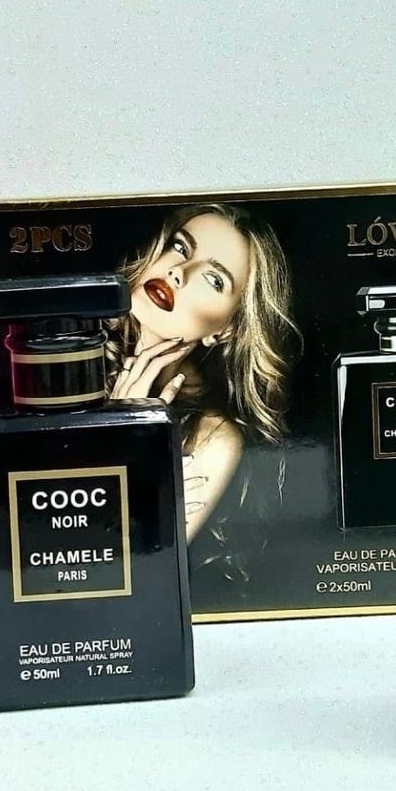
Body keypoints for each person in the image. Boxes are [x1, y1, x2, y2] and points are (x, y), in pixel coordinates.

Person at [106, 203, 299, 542]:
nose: (178, 272)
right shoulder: (58, 360)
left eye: (213, 279)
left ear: (225, 330)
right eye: (181, 247)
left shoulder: (212, 440)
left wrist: (122, 443)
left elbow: (137, 559)